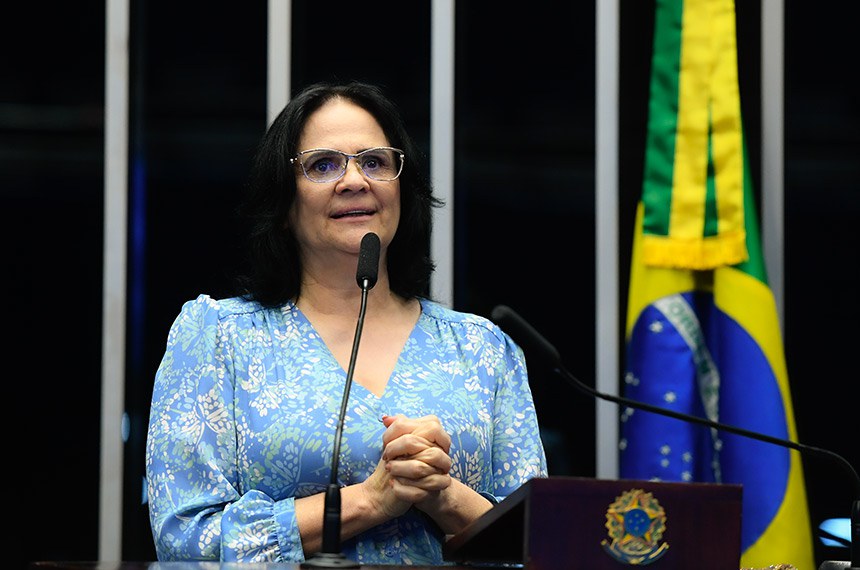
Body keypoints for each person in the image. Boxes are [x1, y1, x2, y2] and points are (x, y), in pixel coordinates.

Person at [145, 80, 548, 565]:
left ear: (403, 189)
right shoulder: (218, 338)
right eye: (323, 165)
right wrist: (371, 500)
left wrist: (442, 494)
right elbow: (184, 538)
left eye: (374, 161)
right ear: (284, 203)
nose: (355, 180)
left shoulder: (483, 349)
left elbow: (540, 543)